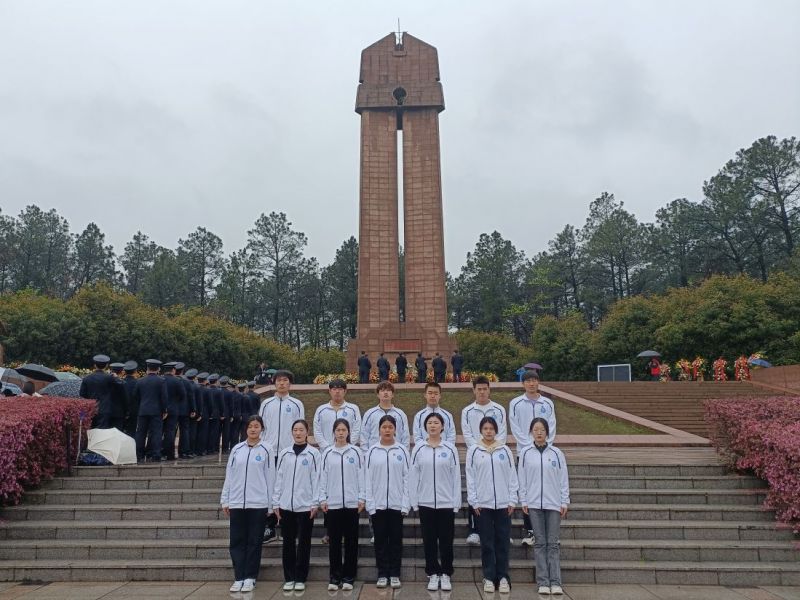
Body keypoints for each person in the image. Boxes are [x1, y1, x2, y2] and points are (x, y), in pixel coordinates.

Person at [221, 415, 275, 593]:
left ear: (262, 429)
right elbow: (230, 476)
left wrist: (270, 504)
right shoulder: (237, 450)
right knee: (236, 541)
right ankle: (239, 577)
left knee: (254, 541)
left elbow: (270, 478)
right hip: (237, 503)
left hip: (258, 503)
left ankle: (250, 577)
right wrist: (225, 499)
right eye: (251, 426)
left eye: (257, 426)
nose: (253, 429)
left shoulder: (266, 450)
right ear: (246, 429)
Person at [518, 418, 569, 596]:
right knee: (540, 543)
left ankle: (555, 582)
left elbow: (563, 479)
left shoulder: (556, 453)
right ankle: (543, 582)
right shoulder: (525, 453)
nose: (539, 432)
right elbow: (521, 478)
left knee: (552, 544)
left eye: (542, 429)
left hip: (553, 503)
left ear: (547, 432)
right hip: (533, 504)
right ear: (531, 432)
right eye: (535, 429)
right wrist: (523, 500)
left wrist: (564, 501)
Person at [466, 416, 517, 594]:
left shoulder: (504, 450)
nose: (489, 431)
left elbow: (512, 475)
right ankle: (488, 576)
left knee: (502, 541)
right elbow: (470, 477)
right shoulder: (474, 450)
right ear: (481, 430)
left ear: (496, 430)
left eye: (491, 428)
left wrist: (512, 499)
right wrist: (474, 501)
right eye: (485, 428)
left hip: (503, 504)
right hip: (483, 505)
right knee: (487, 542)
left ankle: (503, 577)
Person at [409, 413, 460, 592]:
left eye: (436, 422)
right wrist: (414, 501)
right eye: (429, 423)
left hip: (446, 502)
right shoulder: (419, 449)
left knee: (446, 540)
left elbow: (455, 477)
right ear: (425, 427)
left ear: (442, 426)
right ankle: (432, 572)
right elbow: (413, 476)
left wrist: (456, 502)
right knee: (429, 539)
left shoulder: (450, 448)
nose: (433, 425)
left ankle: (446, 573)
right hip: (425, 502)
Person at [509, 370, 556, 546]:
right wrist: (530, 446)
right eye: (528, 381)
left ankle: (546, 531)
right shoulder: (516, 403)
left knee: (544, 488)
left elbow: (551, 426)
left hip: (545, 453)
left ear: (538, 383)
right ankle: (529, 530)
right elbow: (515, 427)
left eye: (534, 380)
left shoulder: (547, 403)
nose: (531, 383)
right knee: (526, 490)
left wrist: (543, 444)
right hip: (525, 453)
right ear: (523, 384)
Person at [273, 419, 320, 592]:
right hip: (286, 505)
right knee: (288, 543)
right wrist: (276, 502)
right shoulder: (285, 453)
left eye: (301, 430)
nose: (298, 433)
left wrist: (315, 503)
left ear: (307, 432)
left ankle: (300, 577)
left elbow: (317, 479)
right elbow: (279, 479)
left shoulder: (314, 454)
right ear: (291, 432)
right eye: (295, 430)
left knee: (304, 543)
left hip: (306, 506)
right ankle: (289, 577)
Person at [318, 418, 365, 591]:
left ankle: (349, 577)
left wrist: (362, 497)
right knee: (335, 542)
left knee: (352, 542)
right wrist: (322, 499)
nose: (340, 433)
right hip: (333, 504)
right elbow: (322, 477)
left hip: (352, 504)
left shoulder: (356, 452)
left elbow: (362, 476)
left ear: (348, 432)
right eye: (338, 430)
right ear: (334, 432)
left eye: (343, 430)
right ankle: (335, 577)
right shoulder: (327, 453)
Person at [461, 375, 507, 545]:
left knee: (497, 488)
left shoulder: (499, 409)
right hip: (476, 455)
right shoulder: (467, 411)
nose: (481, 392)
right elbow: (467, 434)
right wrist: (479, 448)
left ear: (489, 389)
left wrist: (493, 447)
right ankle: (474, 530)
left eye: (484, 389)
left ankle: (499, 530)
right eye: (478, 389)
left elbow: (501, 432)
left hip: (496, 455)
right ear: (474, 390)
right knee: (475, 491)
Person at [365, 415, 410, 589]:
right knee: (380, 541)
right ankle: (382, 573)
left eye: (390, 427)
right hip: (378, 505)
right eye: (384, 427)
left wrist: (405, 503)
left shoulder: (402, 451)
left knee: (396, 541)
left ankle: (395, 573)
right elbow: (367, 478)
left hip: (397, 504)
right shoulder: (372, 451)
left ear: (395, 429)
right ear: (379, 430)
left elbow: (408, 478)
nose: (387, 430)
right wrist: (371, 503)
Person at [259, 370, 304, 543]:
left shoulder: (296, 403)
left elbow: (300, 427)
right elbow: (261, 427)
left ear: (290, 384)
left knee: (288, 488)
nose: (282, 383)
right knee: (269, 489)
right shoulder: (266, 403)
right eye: (279, 380)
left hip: (288, 453)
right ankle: (269, 527)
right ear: (274, 382)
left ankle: (288, 526)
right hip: (269, 453)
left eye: (285, 380)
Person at [313, 379, 362, 452]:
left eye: (340, 389)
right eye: (334, 389)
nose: (337, 391)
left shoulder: (353, 409)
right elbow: (317, 431)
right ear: (329, 391)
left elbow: (357, 429)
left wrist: (348, 445)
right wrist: (327, 448)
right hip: (326, 452)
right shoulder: (321, 410)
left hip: (348, 451)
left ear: (345, 391)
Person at [133, 359, 167, 463]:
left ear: (147, 368)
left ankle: (139, 455)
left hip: (143, 410)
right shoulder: (161, 381)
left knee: (141, 433)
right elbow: (164, 397)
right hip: (156, 411)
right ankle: (156, 455)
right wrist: (164, 410)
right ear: (158, 369)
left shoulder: (140, 381)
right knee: (156, 433)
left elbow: (135, 396)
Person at [360, 381, 410, 450]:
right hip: (375, 453)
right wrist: (366, 453)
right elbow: (364, 435)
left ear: (393, 395)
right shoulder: (369, 413)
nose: (386, 393)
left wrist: (404, 452)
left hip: (396, 453)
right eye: (382, 390)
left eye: (388, 390)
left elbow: (405, 436)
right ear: (378, 394)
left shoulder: (400, 414)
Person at [79, 353, 124, 429]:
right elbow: (120, 387)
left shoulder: (87, 378)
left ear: (94, 365)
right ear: (106, 366)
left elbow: (82, 393)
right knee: (102, 432)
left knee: (91, 430)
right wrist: (117, 378)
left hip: (91, 407)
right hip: (105, 408)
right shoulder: (109, 378)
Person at [161, 362, 187, 461]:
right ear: (173, 370)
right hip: (173, 409)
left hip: (161, 410)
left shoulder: (161, 379)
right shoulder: (177, 381)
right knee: (170, 432)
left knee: (159, 431)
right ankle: (169, 454)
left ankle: (159, 451)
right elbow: (182, 395)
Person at [122, 361, 139, 437]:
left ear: (124, 371)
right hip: (134, 411)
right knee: (132, 432)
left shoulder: (120, 382)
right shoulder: (138, 383)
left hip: (122, 410)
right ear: (135, 371)